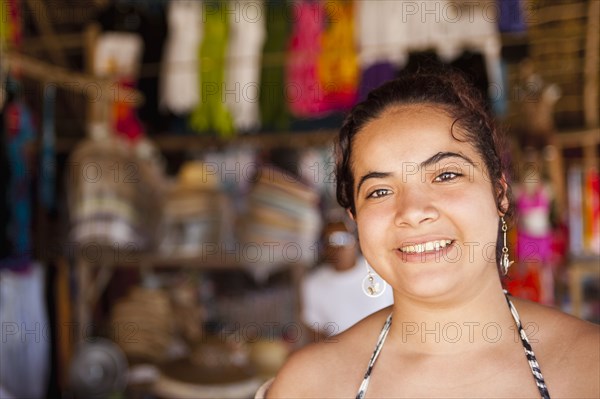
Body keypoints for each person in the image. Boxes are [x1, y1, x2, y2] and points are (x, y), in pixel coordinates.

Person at [259, 71, 599, 398]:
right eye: (379, 191)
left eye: (446, 175)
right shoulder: (311, 387)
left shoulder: (589, 368)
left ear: (499, 193)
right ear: (355, 218)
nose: (412, 211)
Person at [301, 220, 393, 339]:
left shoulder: (379, 269)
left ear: (356, 240)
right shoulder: (314, 283)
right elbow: (316, 331)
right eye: (330, 240)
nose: (338, 246)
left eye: (343, 238)